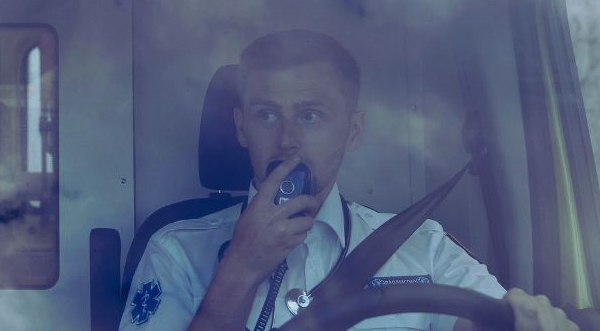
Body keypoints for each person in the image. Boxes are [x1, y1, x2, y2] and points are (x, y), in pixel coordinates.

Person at [120, 29, 578, 331]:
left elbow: (486, 318)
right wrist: (240, 267)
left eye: (311, 116)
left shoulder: (424, 249)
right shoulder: (174, 250)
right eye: (266, 115)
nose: (287, 141)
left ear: (352, 131)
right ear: (241, 128)